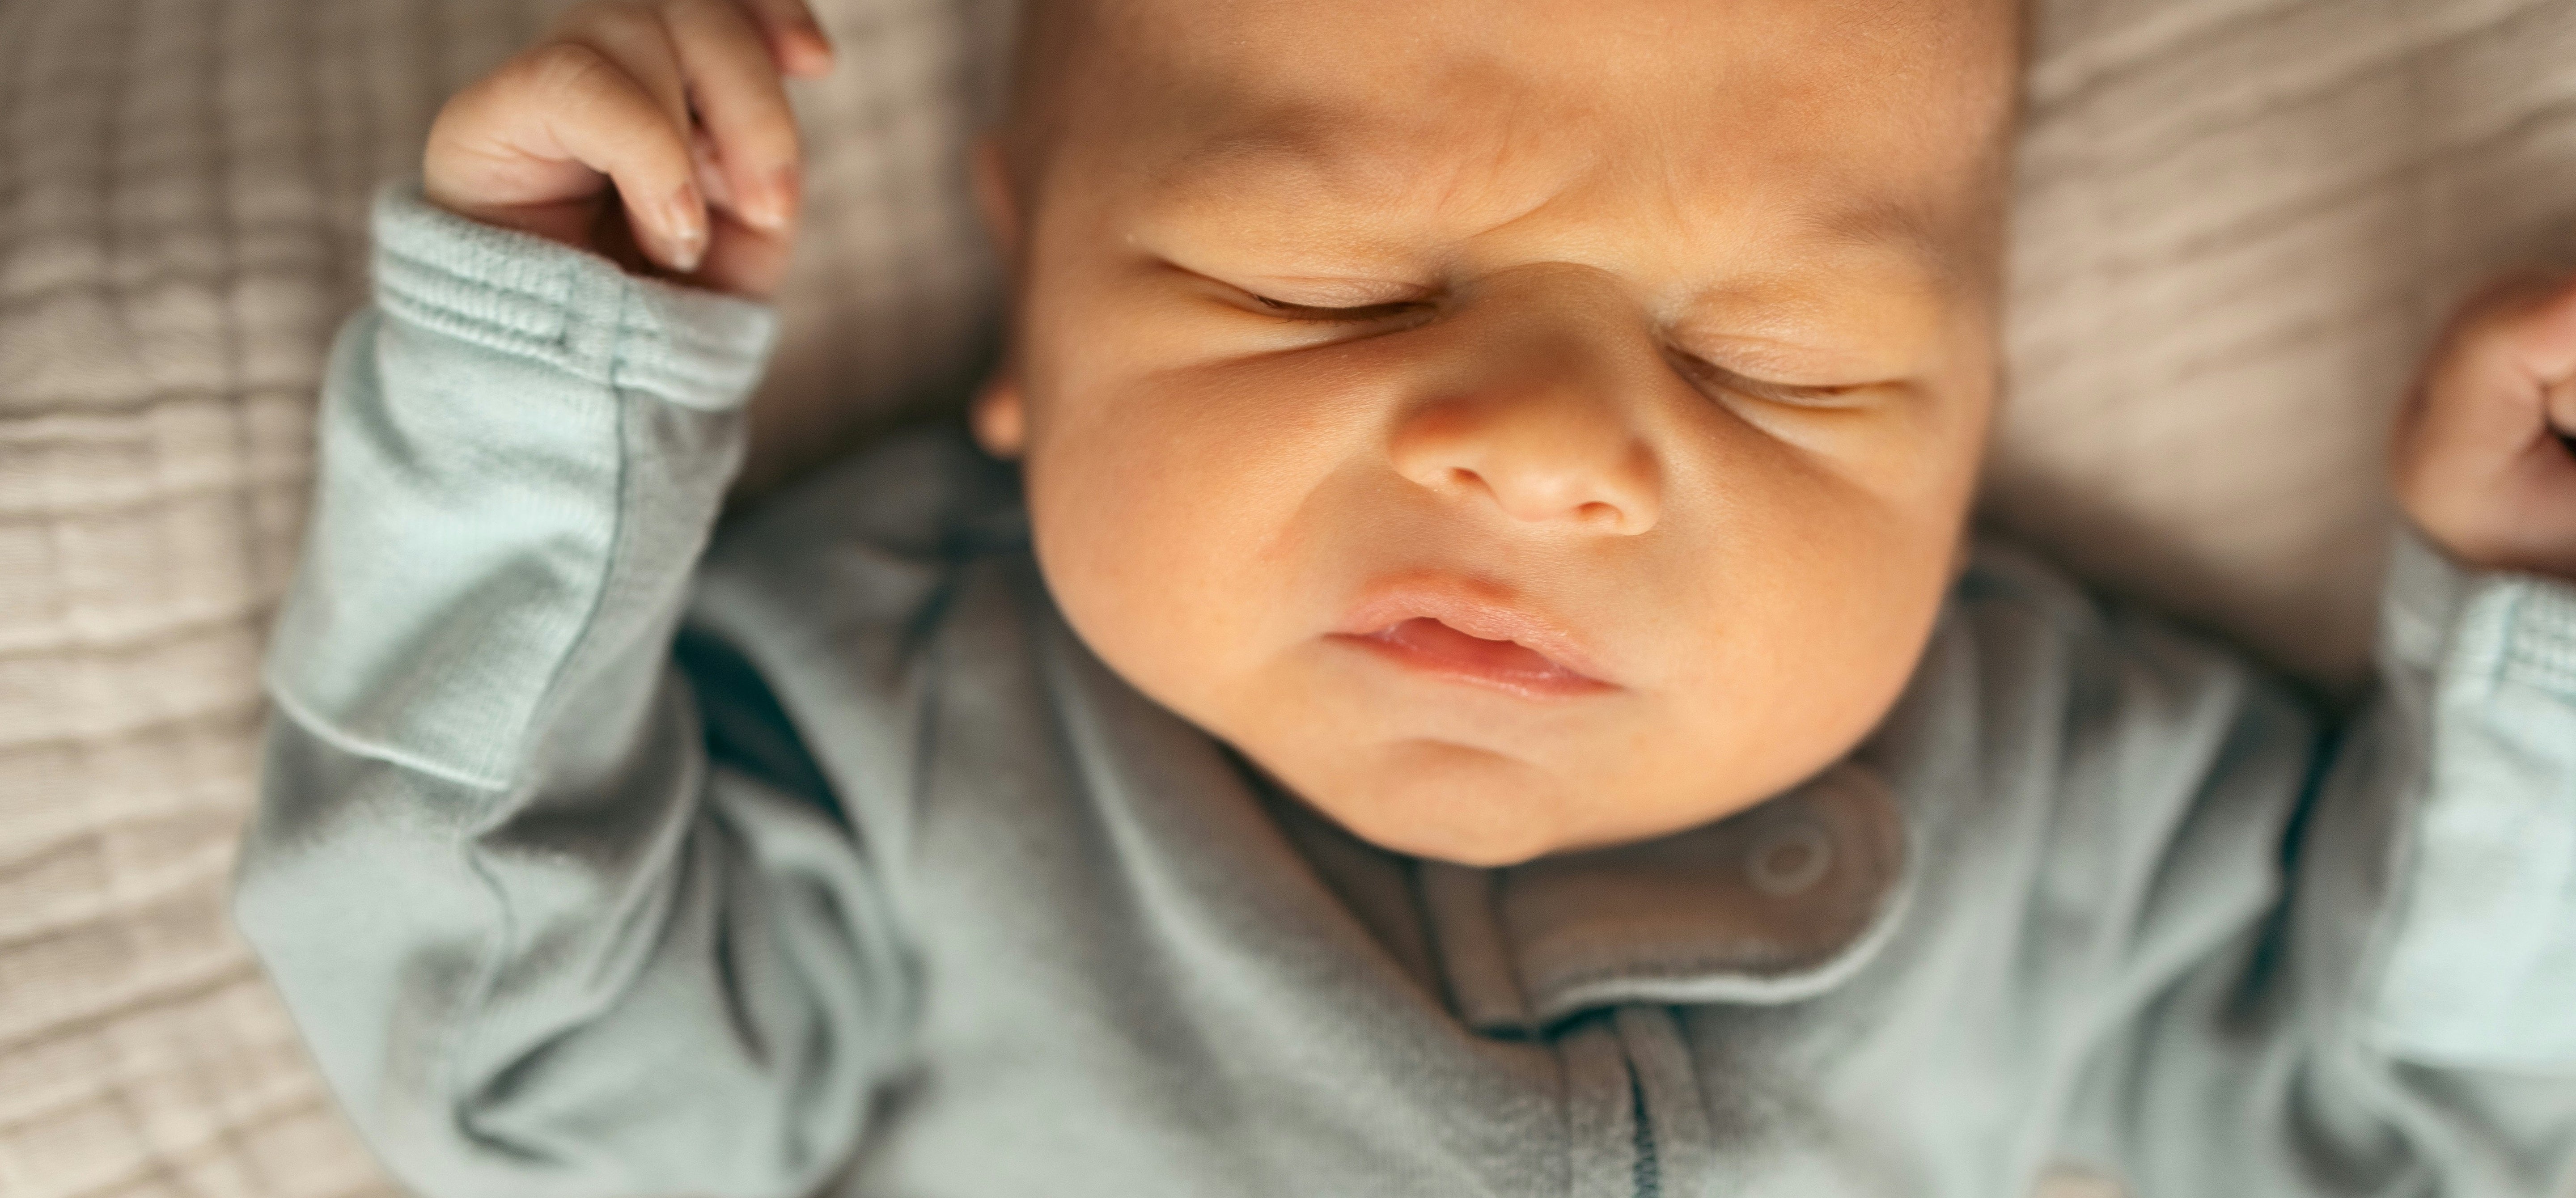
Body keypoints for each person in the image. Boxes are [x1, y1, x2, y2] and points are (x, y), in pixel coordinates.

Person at [232, 0, 2576, 1194]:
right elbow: (522, 1073)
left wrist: (2538, 628)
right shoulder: (906, 728)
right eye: (1327, 289)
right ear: (1023, 306)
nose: (1546, 449)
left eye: (1779, 367)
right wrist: (550, 404)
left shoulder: (2055, 802)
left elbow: (2446, 1124)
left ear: (1971, 440)